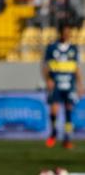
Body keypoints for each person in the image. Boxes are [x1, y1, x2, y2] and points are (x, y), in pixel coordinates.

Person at [43, 21, 84, 149]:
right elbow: (45, 67)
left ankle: (67, 138)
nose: (66, 35)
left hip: (69, 84)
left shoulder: (73, 49)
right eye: (64, 32)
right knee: (54, 109)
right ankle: (54, 132)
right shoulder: (51, 48)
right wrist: (48, 79)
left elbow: (76, 68)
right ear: (60, 33)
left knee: (69, 110)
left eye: (68, 33)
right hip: (56, 83)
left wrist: (80, 84)